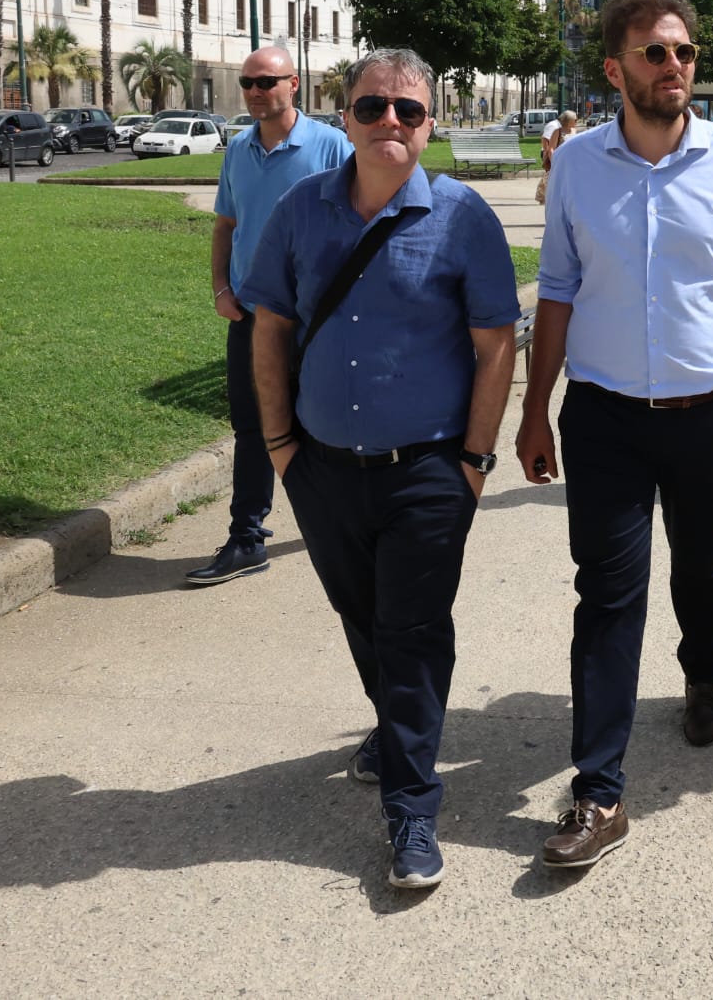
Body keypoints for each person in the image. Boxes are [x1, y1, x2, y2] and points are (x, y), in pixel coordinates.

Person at [516, 0, 713, 871]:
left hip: (710, 411)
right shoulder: (576, 167)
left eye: (683, 52)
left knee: (702, 564)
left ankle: (704, 671)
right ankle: (599, 788)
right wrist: (535, 409)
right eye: (654, 53)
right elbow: (555, 290)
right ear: (615, 70)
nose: (675, 66)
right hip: (602, 416)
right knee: (606, 593)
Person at [241, 48, 520, 889]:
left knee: (411, 629)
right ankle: (398, 728)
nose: (390, 122)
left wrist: (473, 459)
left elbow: (495, 343)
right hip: (322, 468)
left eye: (408, 110)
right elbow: (270, 329)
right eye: (372, 108)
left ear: (431, 122)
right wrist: (282, 446)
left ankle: (411, 810)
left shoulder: (465, 216)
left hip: (428, 468)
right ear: (346, 115)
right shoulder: (300, 210)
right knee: (363, 617)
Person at [192, 44, 351, 586]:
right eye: (249, 83)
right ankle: (247, 538)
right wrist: (220, 288)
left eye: (267, 82)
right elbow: (225, 224)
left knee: (323, 422)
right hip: (251, 317)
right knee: (252, 428)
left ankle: (337, 522)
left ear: (294, 84)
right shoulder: (238, 149)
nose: (257, 92)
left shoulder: (332, 146)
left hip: (314, 320)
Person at [536, 109, 578, 206]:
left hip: (571, 162)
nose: (576, 121)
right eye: (574, 120)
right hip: (560, 162)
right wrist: (554, 161)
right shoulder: (557, 132)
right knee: (556, 183)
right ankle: (554, 201)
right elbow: (551, 148)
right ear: (568, 121)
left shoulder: (574, 131)